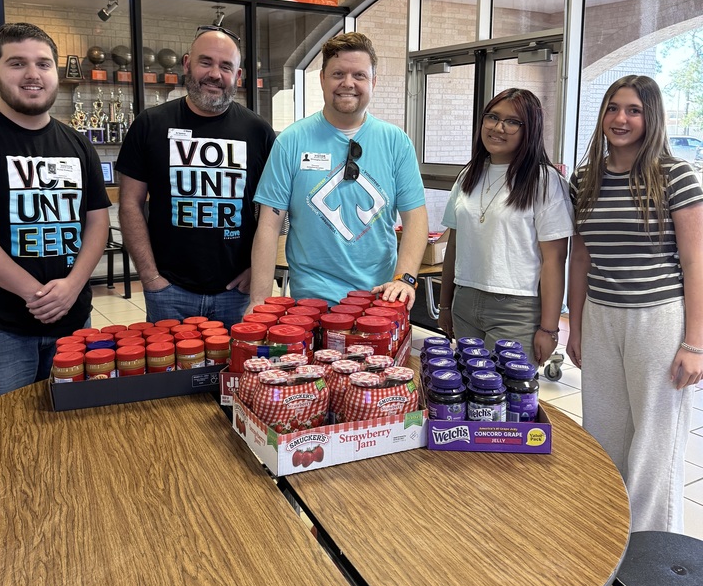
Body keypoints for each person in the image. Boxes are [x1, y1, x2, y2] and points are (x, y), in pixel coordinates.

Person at [0, 22, 111, 406]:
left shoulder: (77, 143)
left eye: (43, 64)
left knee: (71, 427)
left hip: (72, 319)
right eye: (18, 63)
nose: (33, 75)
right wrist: (35, 294)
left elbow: (97, 221)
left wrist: (72, 287)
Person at [567, 75, 703, 533]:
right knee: (603, 428)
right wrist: (577, 329)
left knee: (653, 436)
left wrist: (696, 343)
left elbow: (695, 261)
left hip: (658, 319)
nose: (620, 119)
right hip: (602, 315)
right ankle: (609, 529)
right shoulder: (585, 177)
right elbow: (581, 256)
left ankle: (649, 544)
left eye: (633, 110)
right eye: (612, 108)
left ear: (652, 117)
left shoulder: (675, 175)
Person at [248, 31, 428, 310]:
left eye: (359, 75)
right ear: (322, 79)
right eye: (338, 74)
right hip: (311, 303)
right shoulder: (291, 141)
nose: (348, 83)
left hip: (379, 301)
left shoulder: (396, 142)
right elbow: (269, 225)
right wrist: (258, 301)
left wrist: (404, 279)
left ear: (374, 82)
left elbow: (415, 218)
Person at [116, 26, 275, 326]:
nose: (215, 74)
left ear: (238, 76)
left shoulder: (258, 131)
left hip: (237, 292)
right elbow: (130, 204)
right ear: (187, 63)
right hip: (169, 292)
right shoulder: (150, 125)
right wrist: (149, 276)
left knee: (239, 373)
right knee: (171, 374)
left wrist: (259, 270)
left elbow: (276, 212)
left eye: (226, 66)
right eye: (206, 62)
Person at [438, 88, 573, 364]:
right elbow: (454, 244)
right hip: (465, 301)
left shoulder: (544, 180)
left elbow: (554, 260)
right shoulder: (469, 174)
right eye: (492, 117)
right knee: (471, 395)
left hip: (516, 308)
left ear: (530, 130)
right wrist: (445, 304)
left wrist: (549, 328)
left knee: (506, 400)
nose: (498, 127)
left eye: (512, 122)